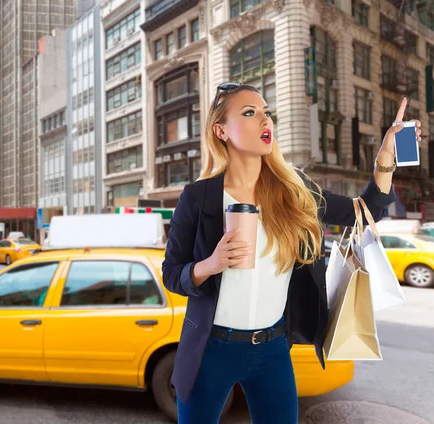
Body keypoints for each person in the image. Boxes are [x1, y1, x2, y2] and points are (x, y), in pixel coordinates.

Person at [162, 84, 420, 424]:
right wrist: (210, 264)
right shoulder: (198, 197)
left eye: (266, 112)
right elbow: (172, 274)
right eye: (249, 113)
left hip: (272, 349)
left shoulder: (294, 189)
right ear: (220, 130)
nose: (264, 120)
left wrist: (386, 155)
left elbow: (365, 210)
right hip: (210, 348)